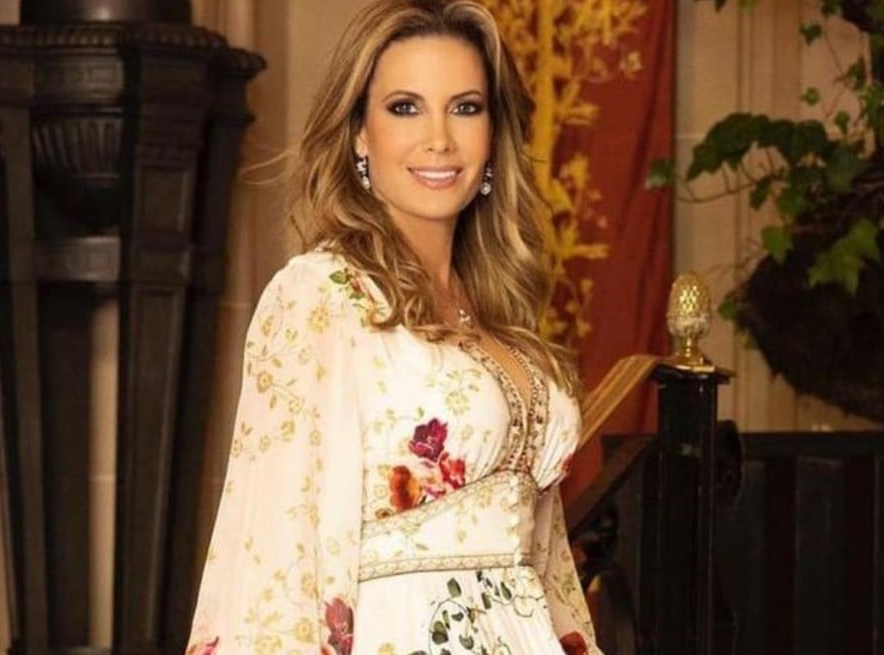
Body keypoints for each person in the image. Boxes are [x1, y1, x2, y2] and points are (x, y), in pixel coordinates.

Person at [186, 1, 603, 653]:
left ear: (494, 132)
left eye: (465, 107)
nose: (439, 138)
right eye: (405, 107)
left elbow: (546, 566)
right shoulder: (321, 296)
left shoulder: (502, 318)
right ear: (359, 133)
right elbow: (276, 553)